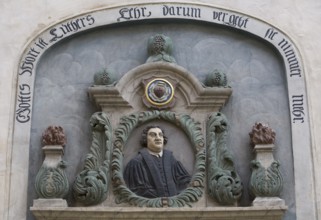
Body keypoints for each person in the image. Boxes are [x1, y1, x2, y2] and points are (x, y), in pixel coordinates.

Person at [124, 125, 191, 198]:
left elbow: (185, 182)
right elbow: (138, 190)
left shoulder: (172, 160)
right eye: (153, 135)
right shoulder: (136, 163)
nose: (158, 138)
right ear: (145, 139)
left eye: (160, 135)